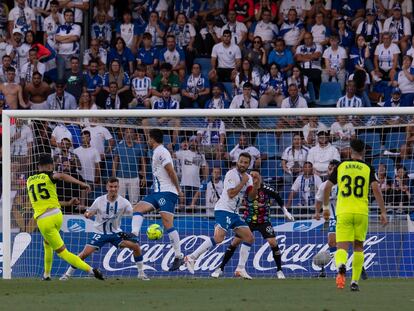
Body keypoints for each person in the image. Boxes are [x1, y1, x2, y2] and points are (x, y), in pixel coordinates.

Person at [26, 153, 103, 281]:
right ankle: (46, 275)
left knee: (63, 253)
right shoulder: (49, 176)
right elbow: (61, 175)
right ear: (51, 165)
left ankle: (91, 270)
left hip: (44, 220)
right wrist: (81, 184)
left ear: (38, 166)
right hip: (57, 214)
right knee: (47, 243)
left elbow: (41, 200)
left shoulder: (29, 180)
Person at [323, 139, 388, 291]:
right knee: (358, 246)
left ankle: (341, 266)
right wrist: (383, 211)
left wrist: (326, 208)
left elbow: (327, 187)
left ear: (350, 150)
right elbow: (376, 189)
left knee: (342, 246)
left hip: (344, 211)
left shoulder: (341, 166)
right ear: (364, 151)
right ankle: (354, 282)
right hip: (361, 212)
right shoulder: (368, 168)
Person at [184, 153, 259, 278]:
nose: (243, 164)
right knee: (219, 238)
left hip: (234, 213)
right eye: (241, 161)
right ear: (237, 161)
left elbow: (251, 198)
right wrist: (244, 182)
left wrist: (255, 184)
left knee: (249, 238)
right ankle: (191, 257)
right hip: (223, 209)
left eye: (246, 162)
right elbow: (231, 194)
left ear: (249, 164)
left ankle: (240, 269)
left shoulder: (249, 178)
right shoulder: (231, 174)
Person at [211, 169, 294, 279]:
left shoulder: (267, 189)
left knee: (273, 243)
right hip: (248, 220)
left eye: (255, 176)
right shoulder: (247, 189)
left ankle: (279, 270)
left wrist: (285, 211)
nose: (253, 178)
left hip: (263, 221)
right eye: (252, 176)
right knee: (235, 242)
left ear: (260, 177)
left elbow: (278, 197)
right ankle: (220, 268)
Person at [60, 177, 148, 281]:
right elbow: (89, 212)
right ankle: (67, 274)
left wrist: (141, 211)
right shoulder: (99, 200)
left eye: (115, 187)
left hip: (115, 233)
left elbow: (134, 212)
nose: (113, 189)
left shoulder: (124, 202)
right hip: (100, 233)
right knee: (84, 254)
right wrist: (88, 214)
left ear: (118, 187)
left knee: (136, 246)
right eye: (111, 186)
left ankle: (141, 273)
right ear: (107, 187)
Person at [131, 129, 185, 271]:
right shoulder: (157, 152)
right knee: (137, 209)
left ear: (152, 139)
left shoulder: (161, 151)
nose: (147, 141)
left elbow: (171, 171)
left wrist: (178, 190)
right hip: (158, 192)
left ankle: (179, 256)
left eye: (148, 138)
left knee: (167, 223)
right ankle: (134, 236)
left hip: (167, 192)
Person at [112, 128, 146, 205]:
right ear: (124, 134)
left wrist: (144, 177)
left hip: (134, 178)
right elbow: (115, 162)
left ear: (134, 135)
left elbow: (143, 162)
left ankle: (133, 217)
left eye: (131, 132)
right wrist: (113, 177)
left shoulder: (139, 147)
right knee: (119, 201)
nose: (129, 134)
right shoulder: (119, 146)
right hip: (120, 177)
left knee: (134, 202)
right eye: (127, 132)